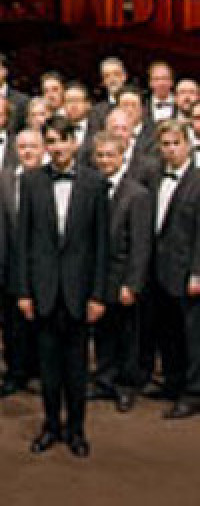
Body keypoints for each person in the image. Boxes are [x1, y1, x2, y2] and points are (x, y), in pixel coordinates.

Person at [17, 116, 108, 458]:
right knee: (48, 368)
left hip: (80, 291)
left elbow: (102, 245)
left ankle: (77, 428)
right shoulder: (30, 181)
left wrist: (99, 294)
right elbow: (23, 241)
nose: (56, 148)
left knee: (77, 368)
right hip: (42, 290)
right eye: (50, 141)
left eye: (61, 140)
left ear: (74, 142)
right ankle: (51, 425)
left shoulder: (95, 183)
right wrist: (24, 291)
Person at [91, 131, 151, 413]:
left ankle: (126, 386)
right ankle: (104, 379)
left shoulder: (136, 193)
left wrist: (132, 284)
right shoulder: (91, 188)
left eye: (110, 155)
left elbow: (141, 245)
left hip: (123, 277)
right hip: (98, 277)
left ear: (122, 157)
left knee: (127, 335)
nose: (105, 161)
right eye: (100, 156)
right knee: (103, 332)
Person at [148, 119, 200, 418]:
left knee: (192, 335)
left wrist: (197, 271)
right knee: (167, 331)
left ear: (188, 144)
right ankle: (173, 382)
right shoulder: (155, 177)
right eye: (164, 144)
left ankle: (193, 392)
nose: (169, 150)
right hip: (160, 269)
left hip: (187, 271)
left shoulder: (198, 179)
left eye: (174, 143)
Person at [0, 129, 43, 398]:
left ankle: (40, 372)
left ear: (43, 148)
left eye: (33, 146)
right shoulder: (3, 180)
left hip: (45, 267)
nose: (27, 152)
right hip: (11, 264)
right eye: (22, 147)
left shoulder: (50, 179)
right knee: (13, 326)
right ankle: (15, 373)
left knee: (42, 323)